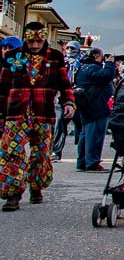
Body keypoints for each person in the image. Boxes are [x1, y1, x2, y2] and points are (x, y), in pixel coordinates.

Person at [0, 22, 75, 211]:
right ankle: (13, 195)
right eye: (31, 41)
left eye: (38, 41)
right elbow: (2, 88)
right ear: (25, 38)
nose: (34, 45)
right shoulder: (12, 56)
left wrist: (69, 102)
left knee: (41, 154)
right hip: (16, 113)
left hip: (43, 112)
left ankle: (36, 187)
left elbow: (65, 84)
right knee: (12, 153)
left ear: (44, 39)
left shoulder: (56, 57)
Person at [73, 47, 116, 172]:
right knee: (95, 135)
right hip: (96, 107)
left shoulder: (82, 67)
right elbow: (106, 75)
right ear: (96, 56)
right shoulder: (92, 68)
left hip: (87, 105)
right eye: (102, 57)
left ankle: (82, 162)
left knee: (85, 134)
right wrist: (109, 64)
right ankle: (92, 162)